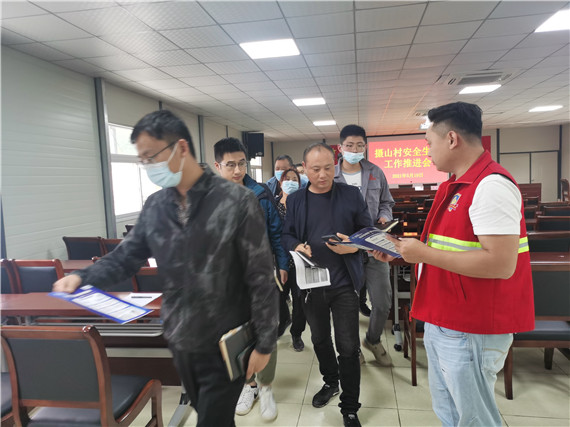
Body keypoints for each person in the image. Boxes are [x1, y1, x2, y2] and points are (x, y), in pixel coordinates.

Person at [52, 110, 278, 427]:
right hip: (181, 337)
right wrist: (81, 277)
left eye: (151, 156)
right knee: (209, 414)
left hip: (224, 341)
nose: (148, 166)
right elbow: (126, 257)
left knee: (212, 420)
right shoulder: (156, 206)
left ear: (180, 148)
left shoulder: (236, 201)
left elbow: (261, 276)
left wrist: (265, 343)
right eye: (142, 160)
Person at [372, 102, 534, 426]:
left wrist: (424, 254)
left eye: (429, 142)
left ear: (451, 139)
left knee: (474, 419)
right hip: (446, 318)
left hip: (472, 327)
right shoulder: (457, 184)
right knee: (451, 414)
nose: (427, 151)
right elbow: (446, 247)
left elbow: (501, 264)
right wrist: (402, 251)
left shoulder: (491, 186)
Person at [282, 142, 372, 427]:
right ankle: (331, 382)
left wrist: (353, 246)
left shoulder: (350, 195)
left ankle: (350, 407)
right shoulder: (296, 200)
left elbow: (367, 232)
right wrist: (296, 245)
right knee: (320, 339)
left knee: (348, 346)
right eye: (315, 169)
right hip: (311, 284)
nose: (322, 175)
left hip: (344, 283)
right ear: (304, 169)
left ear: (335, 166)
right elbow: (286, 235)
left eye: (327, 168)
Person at [214, 137, 288, 422]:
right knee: (237, 333)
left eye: (242, 163)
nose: (237, 170)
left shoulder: (260, 193)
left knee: (265, 328)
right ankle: (249, 385)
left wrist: (282, 265)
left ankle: (266, 387)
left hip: (261, 274)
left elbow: (276, 233)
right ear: (218, 166)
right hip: (227, 280)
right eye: (230, 165)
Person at [335, 124, 395, 366]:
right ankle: (352, 348)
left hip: (373, 247)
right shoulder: (332, 175)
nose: (354, 150)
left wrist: (384, 216)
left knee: (382, 302)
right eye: (349, 145)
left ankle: (373, 339)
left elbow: (386, 202)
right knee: (346, 304)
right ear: (340, 147)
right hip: (344, 250)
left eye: (360, 145)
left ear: (366, 147)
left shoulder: (375, 172)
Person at [275, 168, 307, 352]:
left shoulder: (303, 205)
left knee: (299, 300)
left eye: (295, 179)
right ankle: (283, 320)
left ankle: (297, 333)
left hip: (299, 260)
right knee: (279, 296)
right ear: (281, 183)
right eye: (287, 179)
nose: (290, 182)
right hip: (280, 260)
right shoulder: (274, 204)